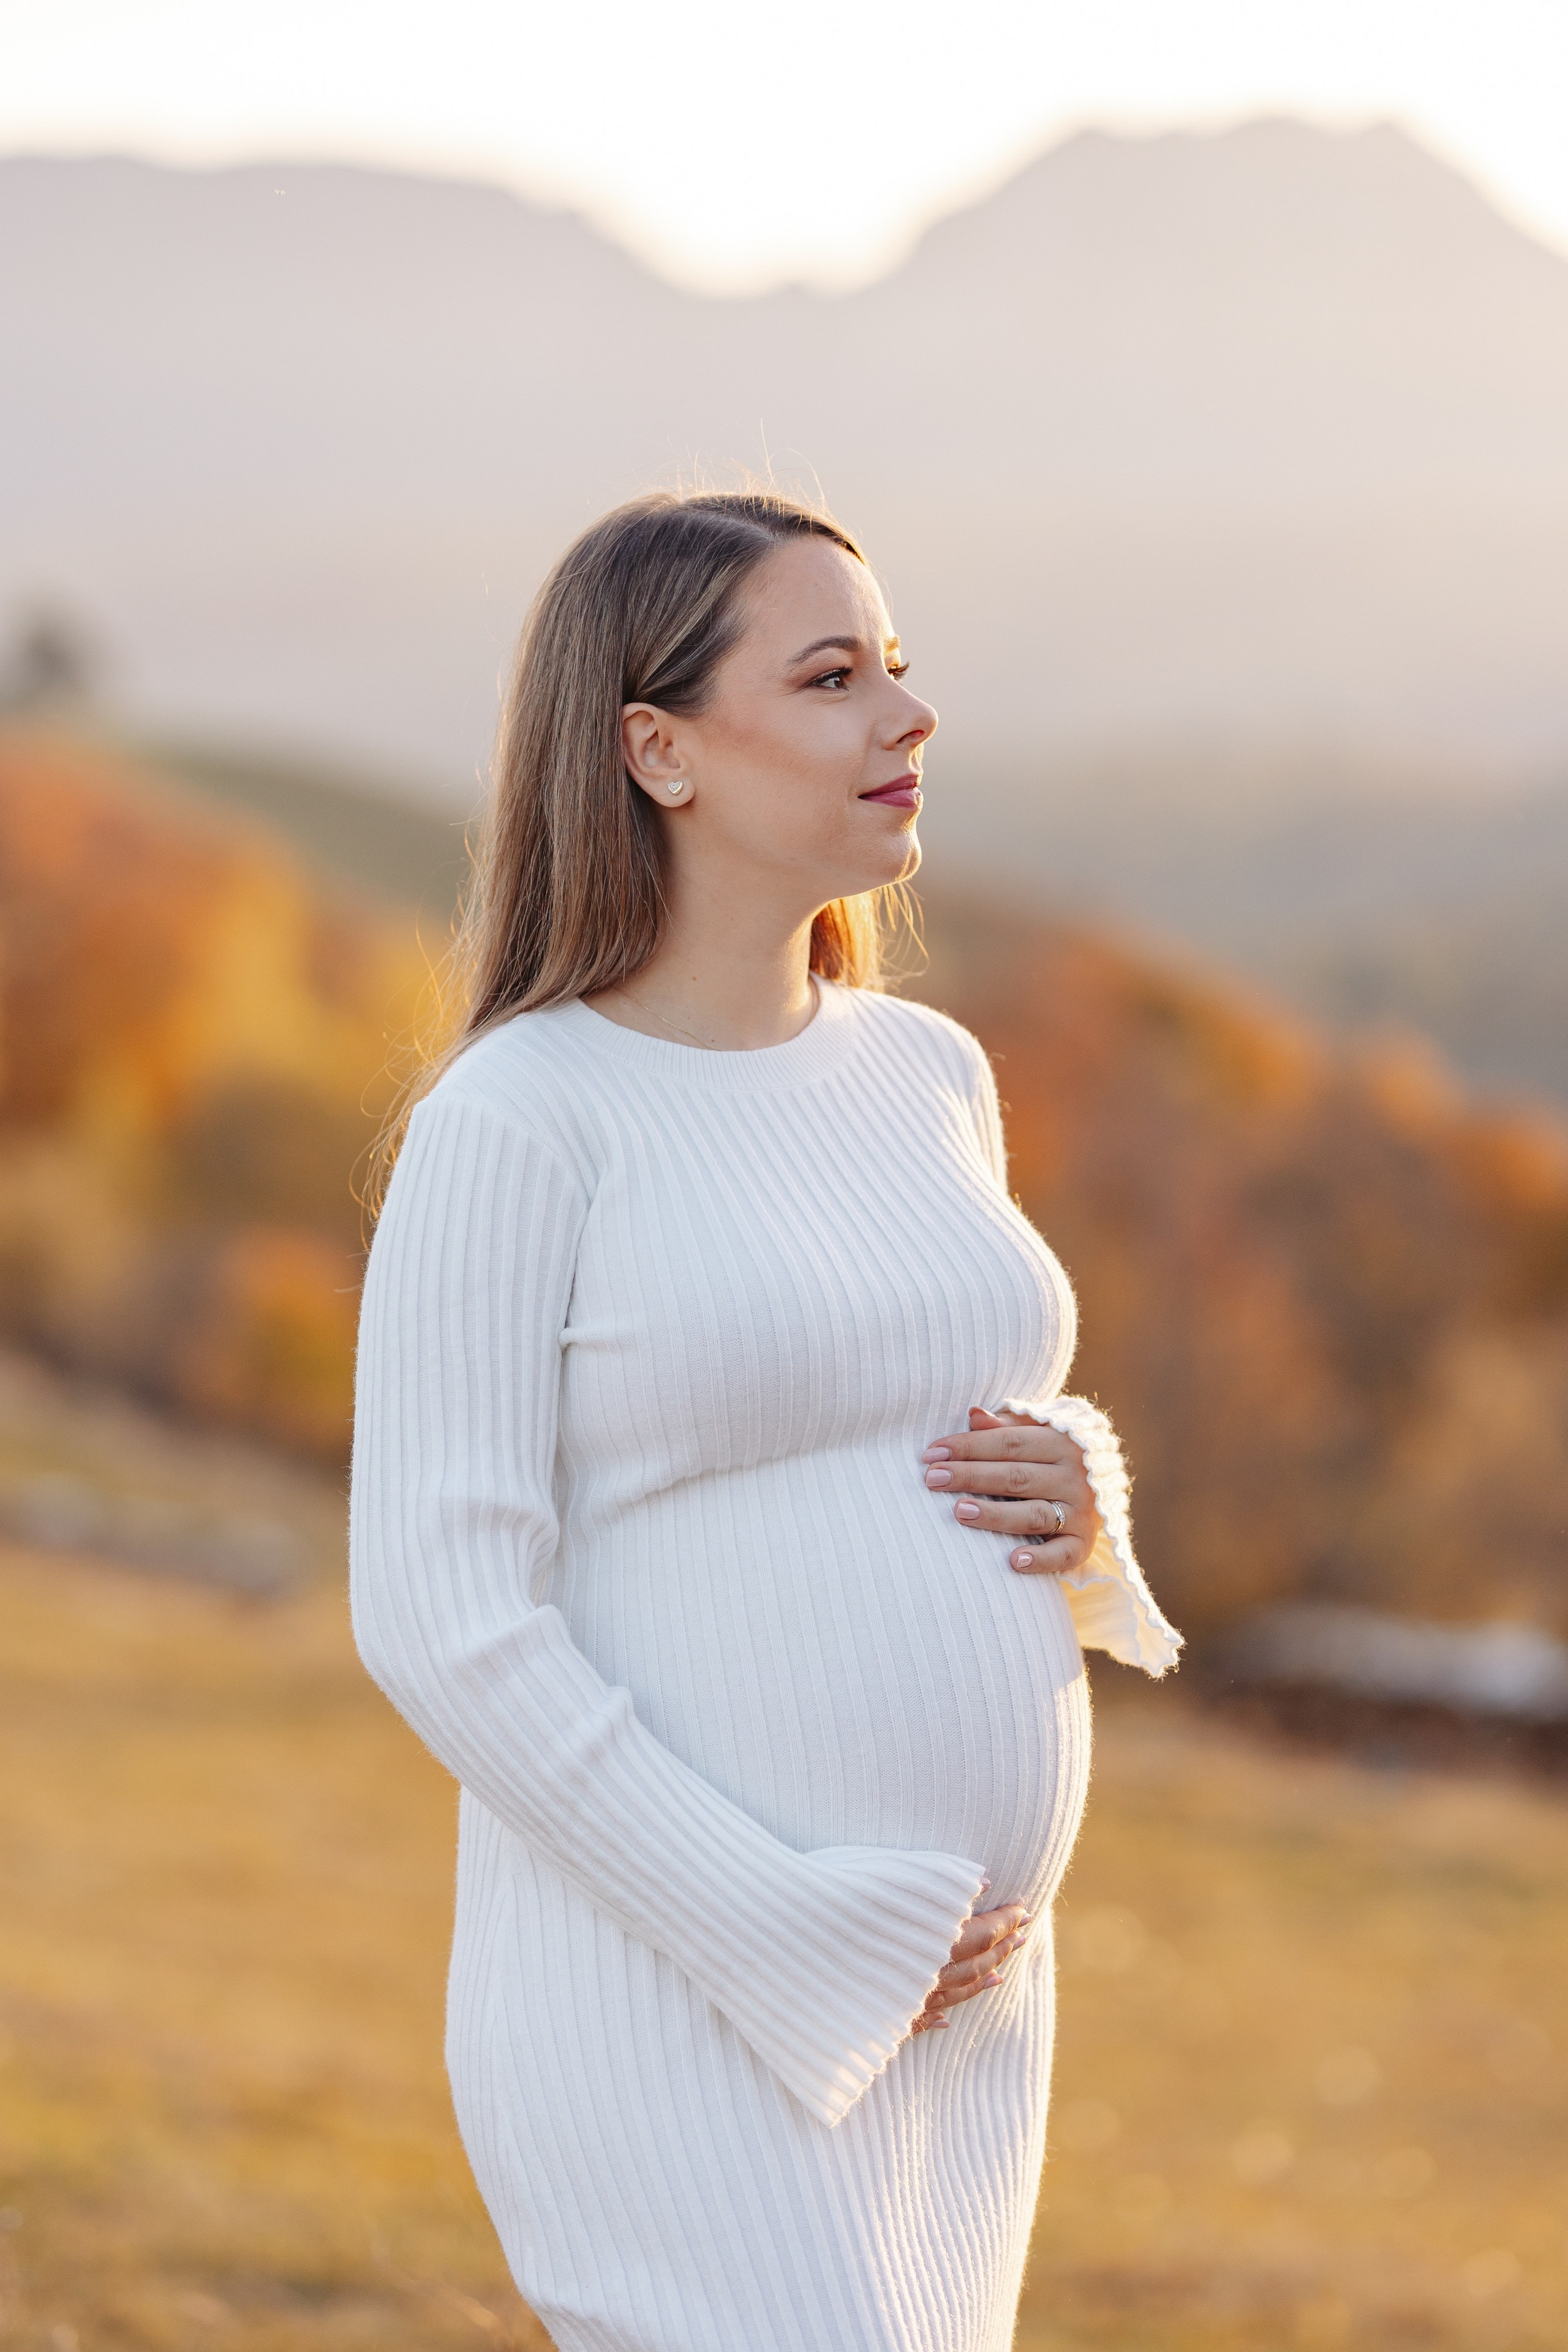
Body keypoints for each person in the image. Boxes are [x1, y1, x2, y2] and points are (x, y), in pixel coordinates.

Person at [350, 489, 1181, 2352]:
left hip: (956, 2014)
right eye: (830, 677)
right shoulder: (521, 1120)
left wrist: (1081, 1494)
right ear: (657, 750)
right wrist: (790, 1930)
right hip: (690, 1992)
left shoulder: (928, 1072)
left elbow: (910, 1403)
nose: (909, 714)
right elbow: (439, 1617)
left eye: (896, 665)